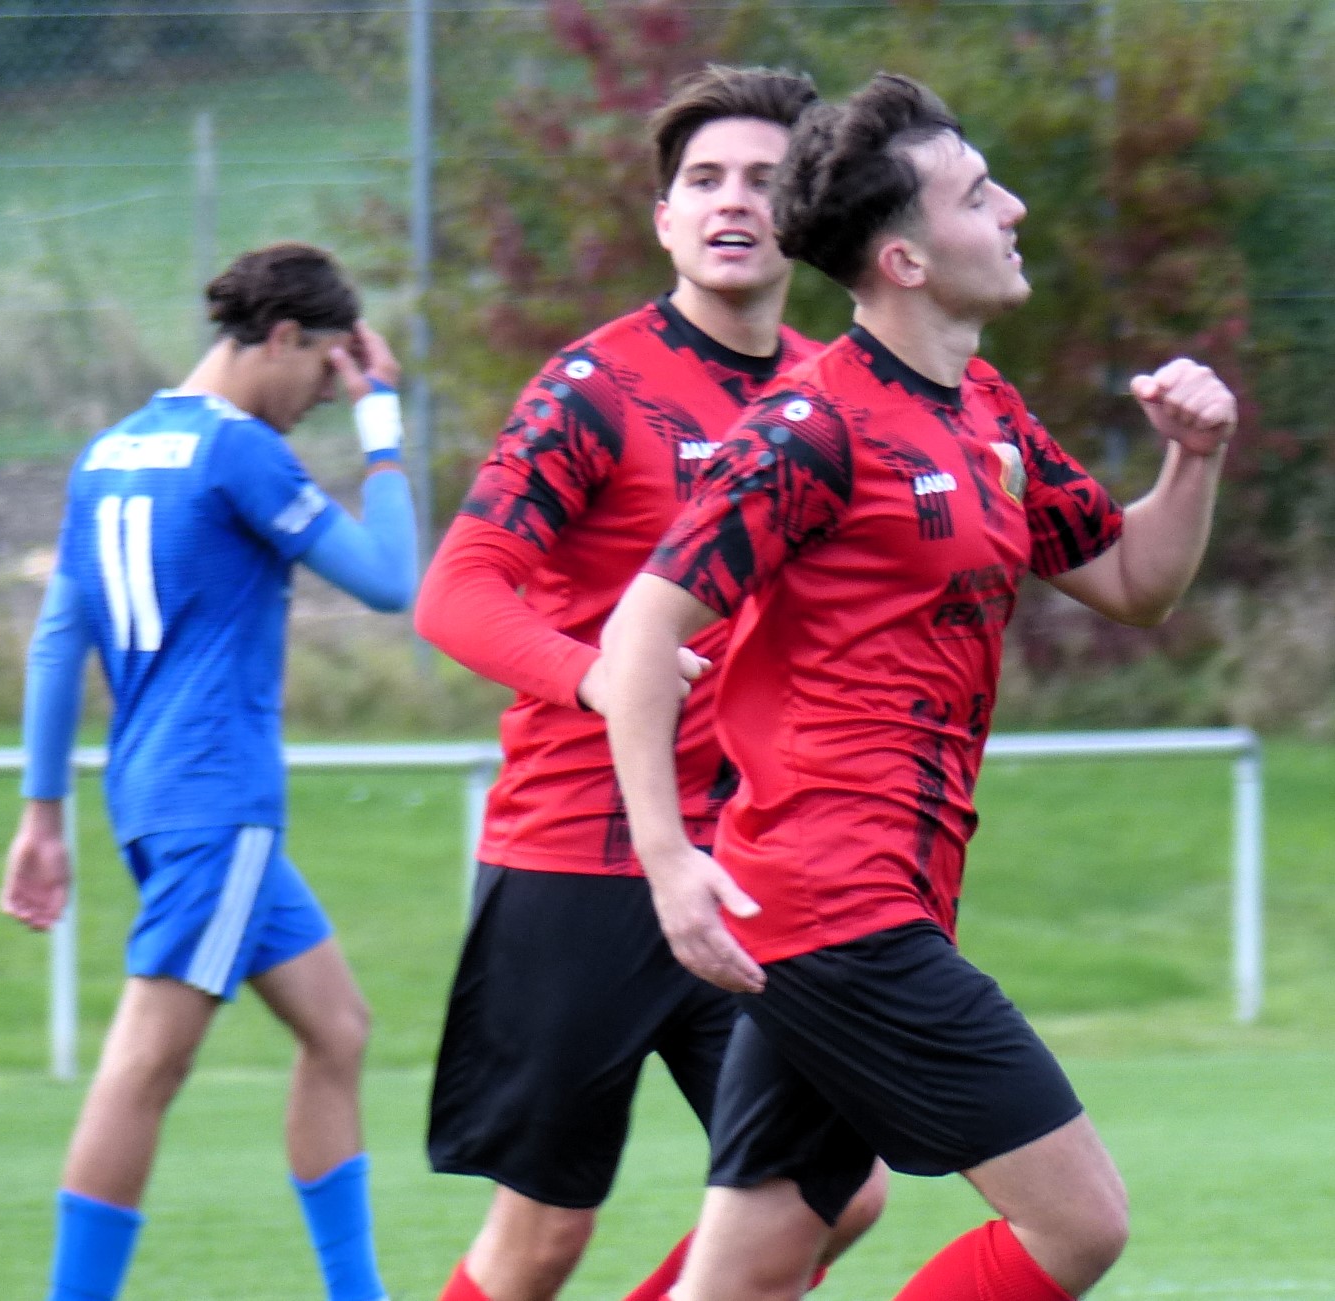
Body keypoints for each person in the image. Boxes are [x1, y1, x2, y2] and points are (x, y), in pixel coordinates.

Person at [601, 71, 1238, 1301]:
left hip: (864, 898)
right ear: (903, 258)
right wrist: (669, 863)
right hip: (833, 907)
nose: (1013, 209)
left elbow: (1131, 580)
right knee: (1077, 1221)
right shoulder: (809, 428)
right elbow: (640, 633)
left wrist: (1192, 459)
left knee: (748, 1268)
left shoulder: (983, 408)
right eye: (977, 194)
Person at [413, 64, 886, 1301]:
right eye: (703, 180)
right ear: (665, 217)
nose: (732, 201)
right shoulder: (595, 387)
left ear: (808, 213)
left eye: (764, 180)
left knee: (833, 1188)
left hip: (751, 862)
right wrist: (604, 677)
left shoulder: (838, 390)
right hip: (582, 854)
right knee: (542, 1237)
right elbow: (456, 591)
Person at [0, 241, 418, 1301]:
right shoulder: (239, 452)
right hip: (218, 800)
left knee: (338, 1027)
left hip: (152, 796)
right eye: (324, 366)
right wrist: (382, 422)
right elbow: (389, 580)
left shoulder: (110, 452)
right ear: (283, 336)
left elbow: (56, 643)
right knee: (146, 1065)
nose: (325, 392)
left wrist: (41, 815)